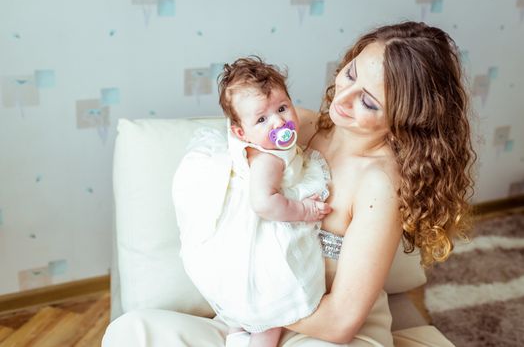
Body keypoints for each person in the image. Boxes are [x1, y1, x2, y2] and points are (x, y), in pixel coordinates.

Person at [102, 21, 474, 346]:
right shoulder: (300, 128)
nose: (342, 98)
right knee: (131, 332)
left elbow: (341, 322)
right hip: (252, 320)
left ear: (407, 116)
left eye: (369, 101)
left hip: (320, 330)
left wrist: (252, 298)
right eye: (350, 74)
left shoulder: (379, 184)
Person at [174, 56, 332, 347]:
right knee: (269, 318)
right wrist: (303, 210)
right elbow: (263, 203)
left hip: (235, 245)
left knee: (241, 312)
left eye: (283, 108)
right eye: (262, 119)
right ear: (240, 132)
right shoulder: (268, 159)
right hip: (260, 239)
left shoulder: (267, 144)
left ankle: (235, 336)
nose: (279, 121)